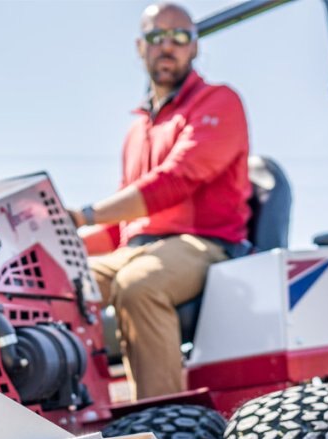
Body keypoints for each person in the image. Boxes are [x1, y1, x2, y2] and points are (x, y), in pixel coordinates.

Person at [71, 2, 251, 400]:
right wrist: (60, 245)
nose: (167, 45)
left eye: (179, 36)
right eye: (156, 36)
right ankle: (72, 413)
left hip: (203, 244)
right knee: (59, 286)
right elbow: (121, 227)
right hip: (135, 249)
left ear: (195, 47)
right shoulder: (137, 130)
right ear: (140, 47)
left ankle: (164, 418)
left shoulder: (219, 102)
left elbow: (175, 181)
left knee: (138, 285)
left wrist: (83, 216)